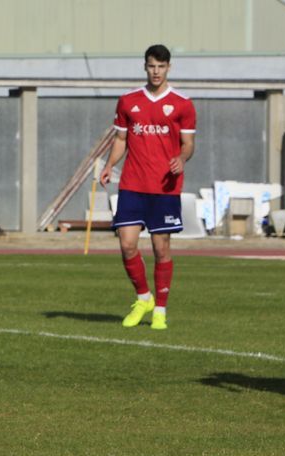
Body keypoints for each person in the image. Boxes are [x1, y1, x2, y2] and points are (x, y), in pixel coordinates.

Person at [99, 44, 196, 331]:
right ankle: (143, 298)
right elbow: (120, 139)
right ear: (145, 66)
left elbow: (188, 144)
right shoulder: (128, 101)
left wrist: (181, 158)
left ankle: (161, 311)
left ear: (169, 68)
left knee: (160, 248)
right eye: (152, 66)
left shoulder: (182, 104)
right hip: (132, 184)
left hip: (165, 187)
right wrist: (108, 165)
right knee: (127, 244)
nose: (156, 71)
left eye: (161, 66)